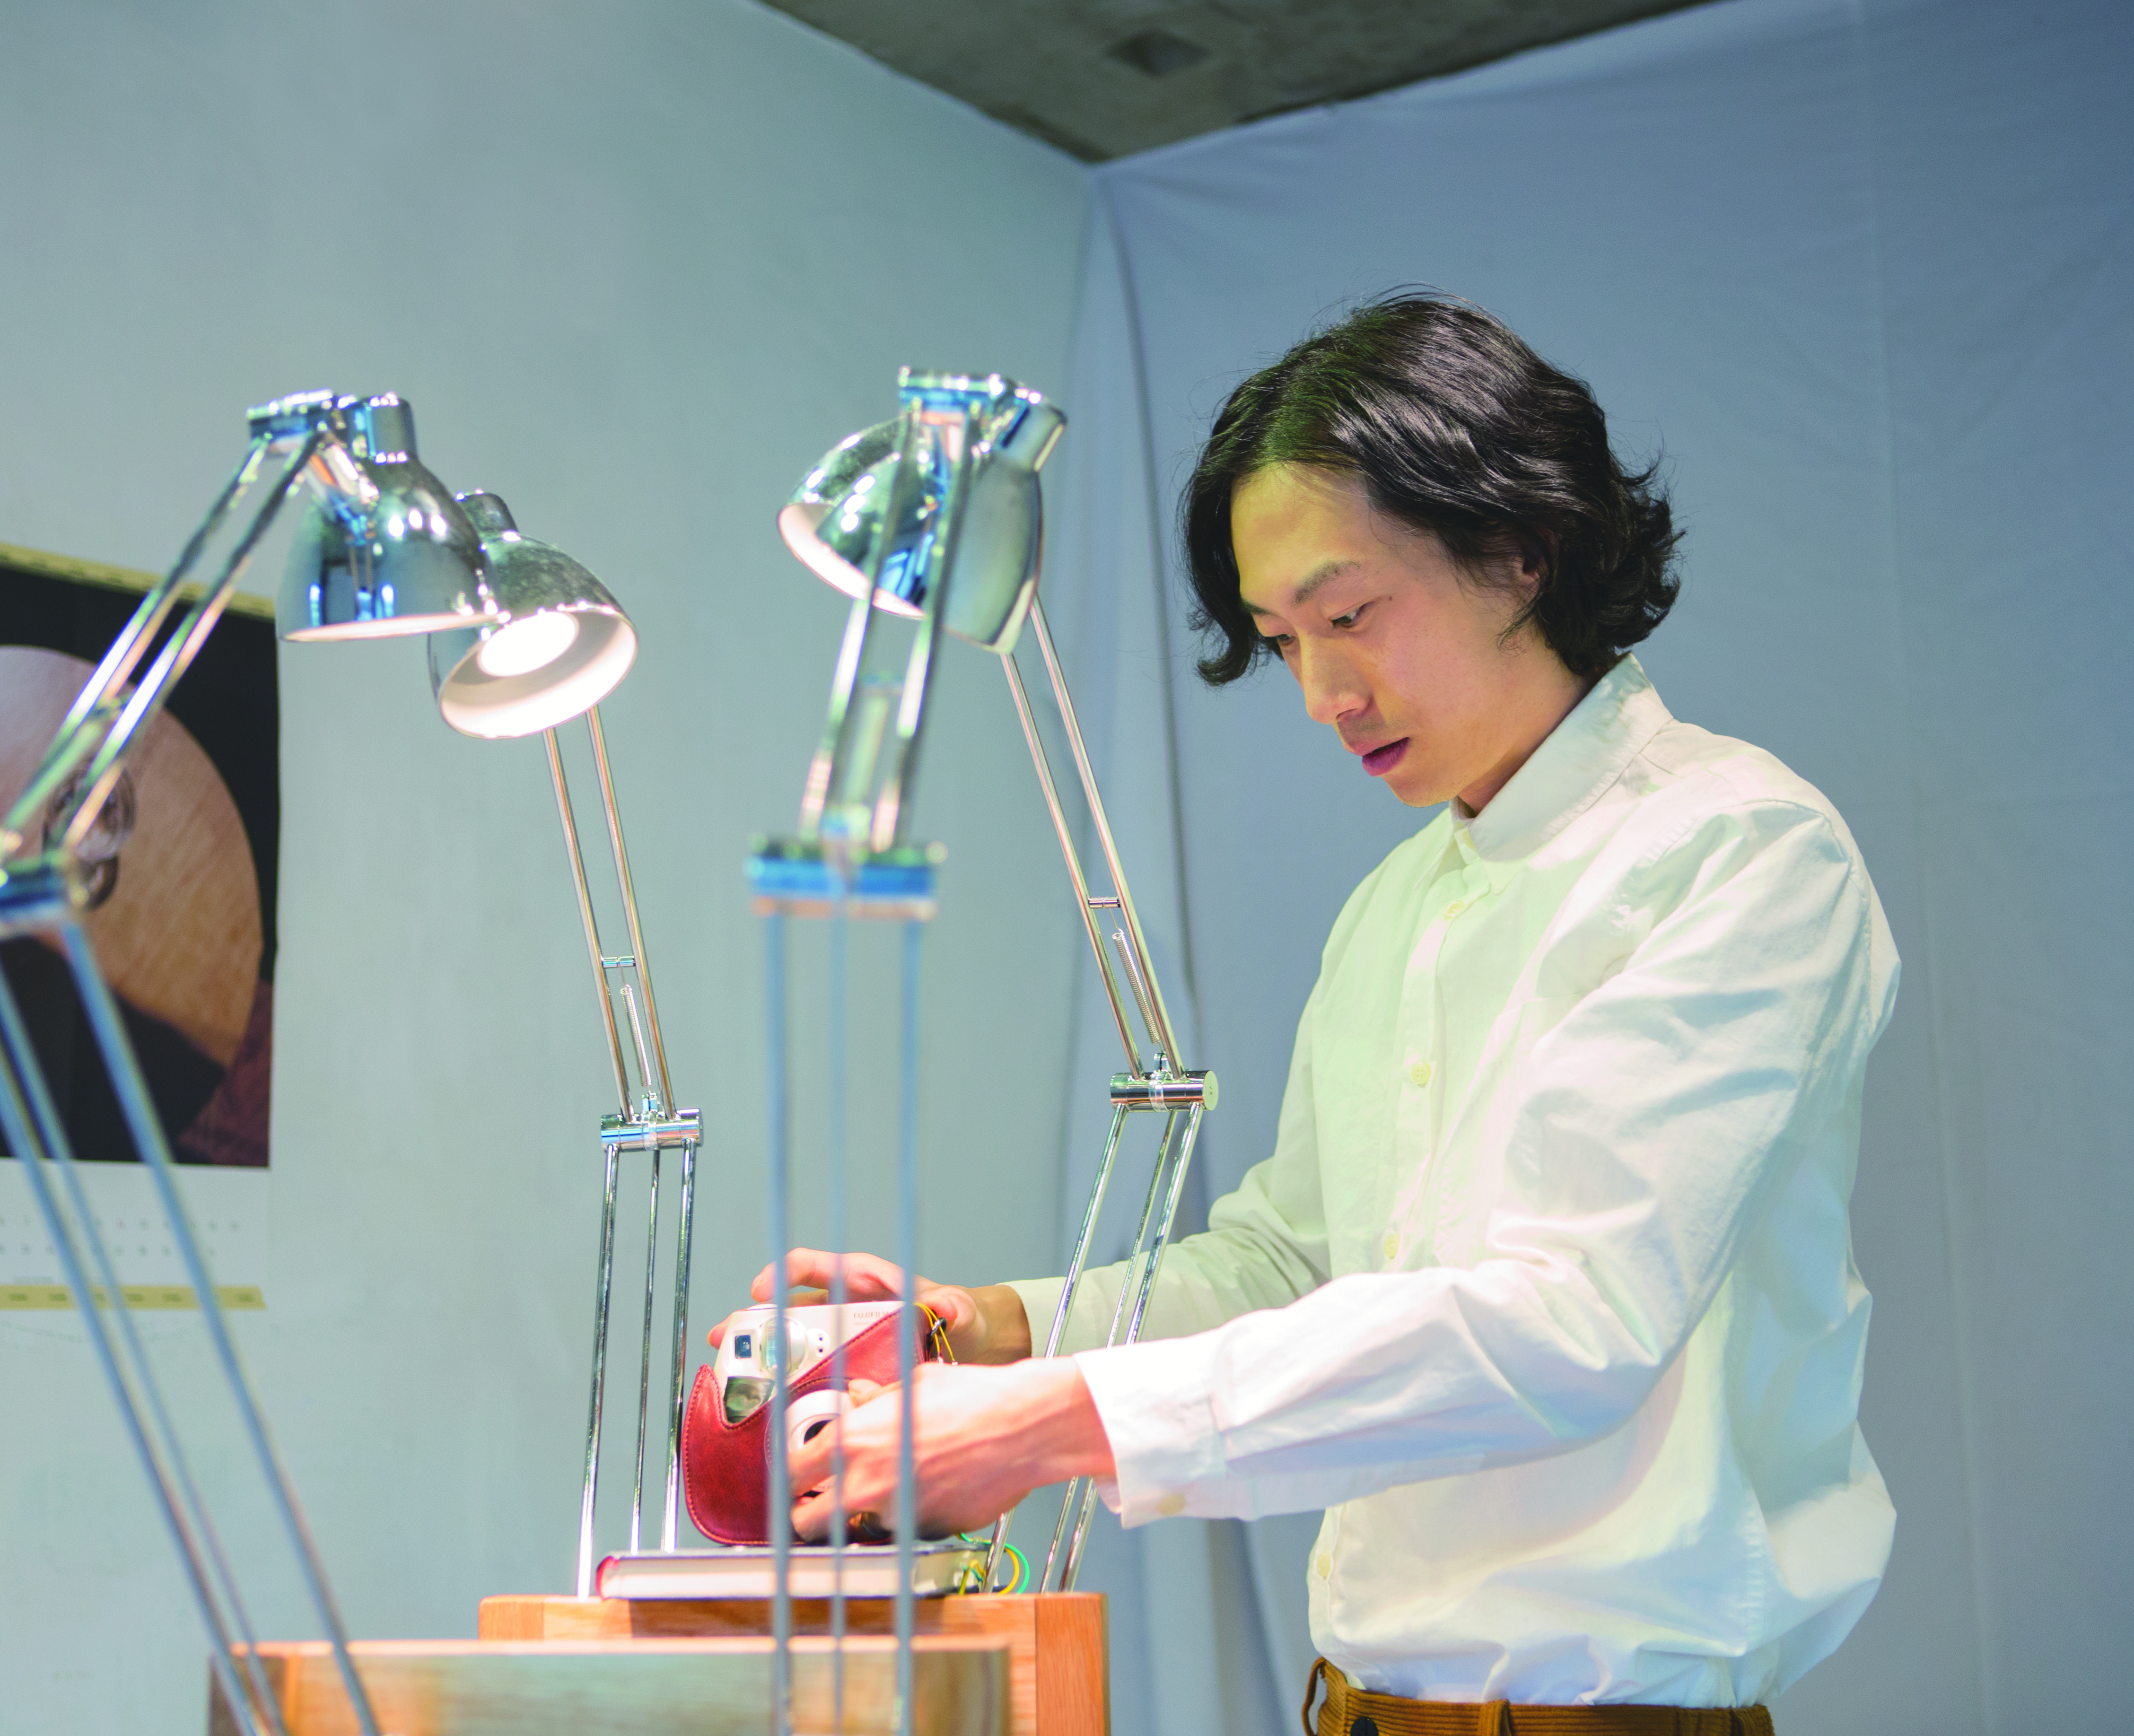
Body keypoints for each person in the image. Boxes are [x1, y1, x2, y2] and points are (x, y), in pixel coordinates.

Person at [747, 294, 1899, 1731]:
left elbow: (1571, 1320)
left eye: (1351, 614)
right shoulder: (1398, 906)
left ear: (1519, 546)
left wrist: (1055, 1425)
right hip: (1349, 1704)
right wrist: (988, 1329)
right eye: (1282, 639)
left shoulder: (1737, 850)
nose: (1322, 694)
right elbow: (1291, 1263)